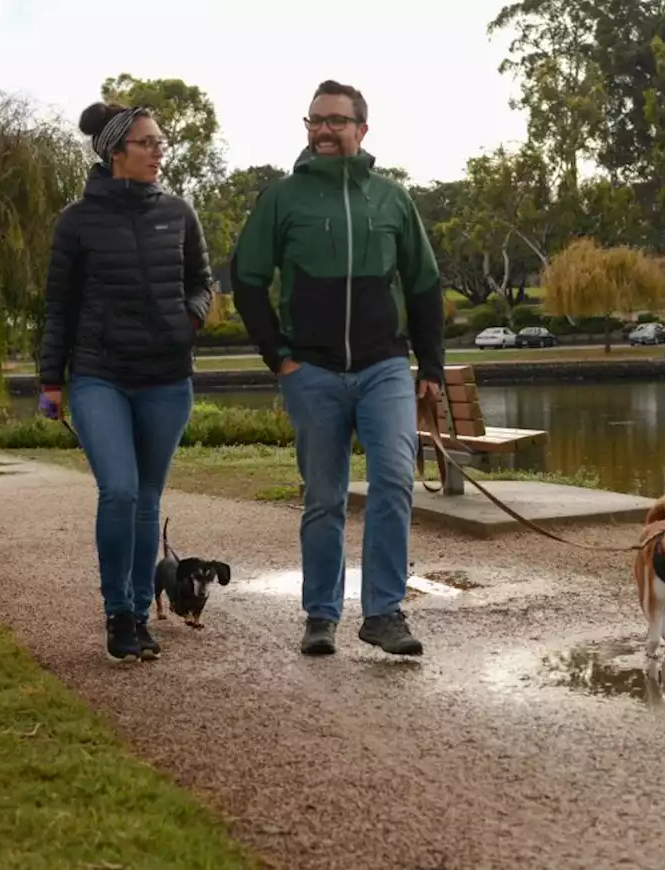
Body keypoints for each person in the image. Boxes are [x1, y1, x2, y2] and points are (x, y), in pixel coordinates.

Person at [230, 79, 444, 658]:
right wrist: (279, 357)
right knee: (324, 497)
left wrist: (432, 365)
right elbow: (246, 278)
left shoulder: (391, 198)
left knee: (394, 481)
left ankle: (383, 613)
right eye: (315, 120)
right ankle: (320, 616)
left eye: (336, 121)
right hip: (314, 373)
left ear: (361, 130)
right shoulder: (282, 198)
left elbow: (424, 285)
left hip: (385, 367)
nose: (323, 130)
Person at [37, 101, 213, 664]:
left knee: (146, 500)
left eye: (161, 142)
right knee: (119, 491)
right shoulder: (77, 222)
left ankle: (140, 613)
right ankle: (117, 612)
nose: (160, 150)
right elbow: (57, 306)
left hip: (165, 379)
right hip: (99, 376)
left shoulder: (179, 214)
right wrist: (50, 381)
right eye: (148, 143)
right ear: (116, 152)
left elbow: (202, 282)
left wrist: (189, 319)